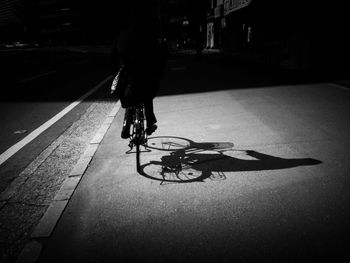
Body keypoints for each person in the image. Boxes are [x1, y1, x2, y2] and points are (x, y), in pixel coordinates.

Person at [110, 7, 168, 139]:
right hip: (145, 77)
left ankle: (126, 126)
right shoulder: (147, 36)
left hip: (126, 78)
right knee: (147, 94)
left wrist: (114, 75)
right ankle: (150, 123)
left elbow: (112, 59)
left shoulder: (120, 36)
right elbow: (158, 56)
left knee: (129, 97)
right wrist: (159, 71)